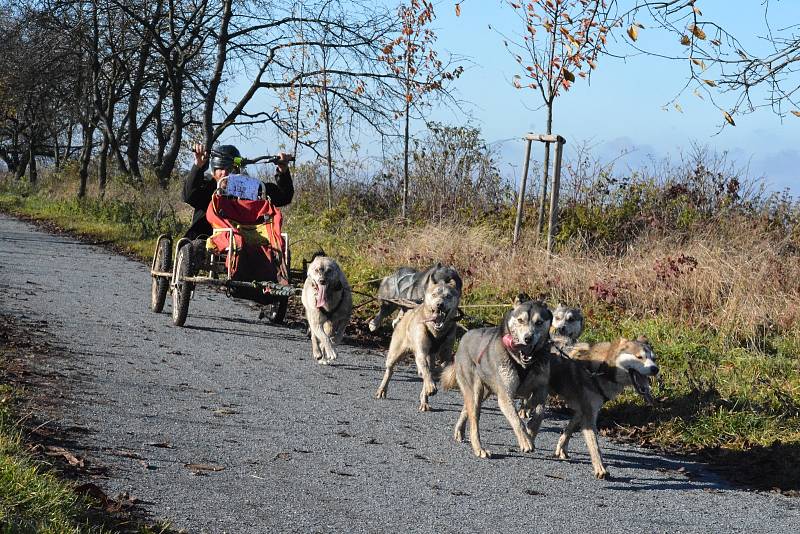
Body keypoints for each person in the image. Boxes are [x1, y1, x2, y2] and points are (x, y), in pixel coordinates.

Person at [182, 143, 294, 241]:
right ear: (213, 171)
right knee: (196, 247)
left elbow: (284, 197)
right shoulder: (208, 187)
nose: (224, 173)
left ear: (237, 170)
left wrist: (282, 171)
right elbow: (189, 196)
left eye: (230, 169)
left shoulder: (247, 188)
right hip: (205, 240)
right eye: (220, 168)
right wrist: (198, 166)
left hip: (244, 244)